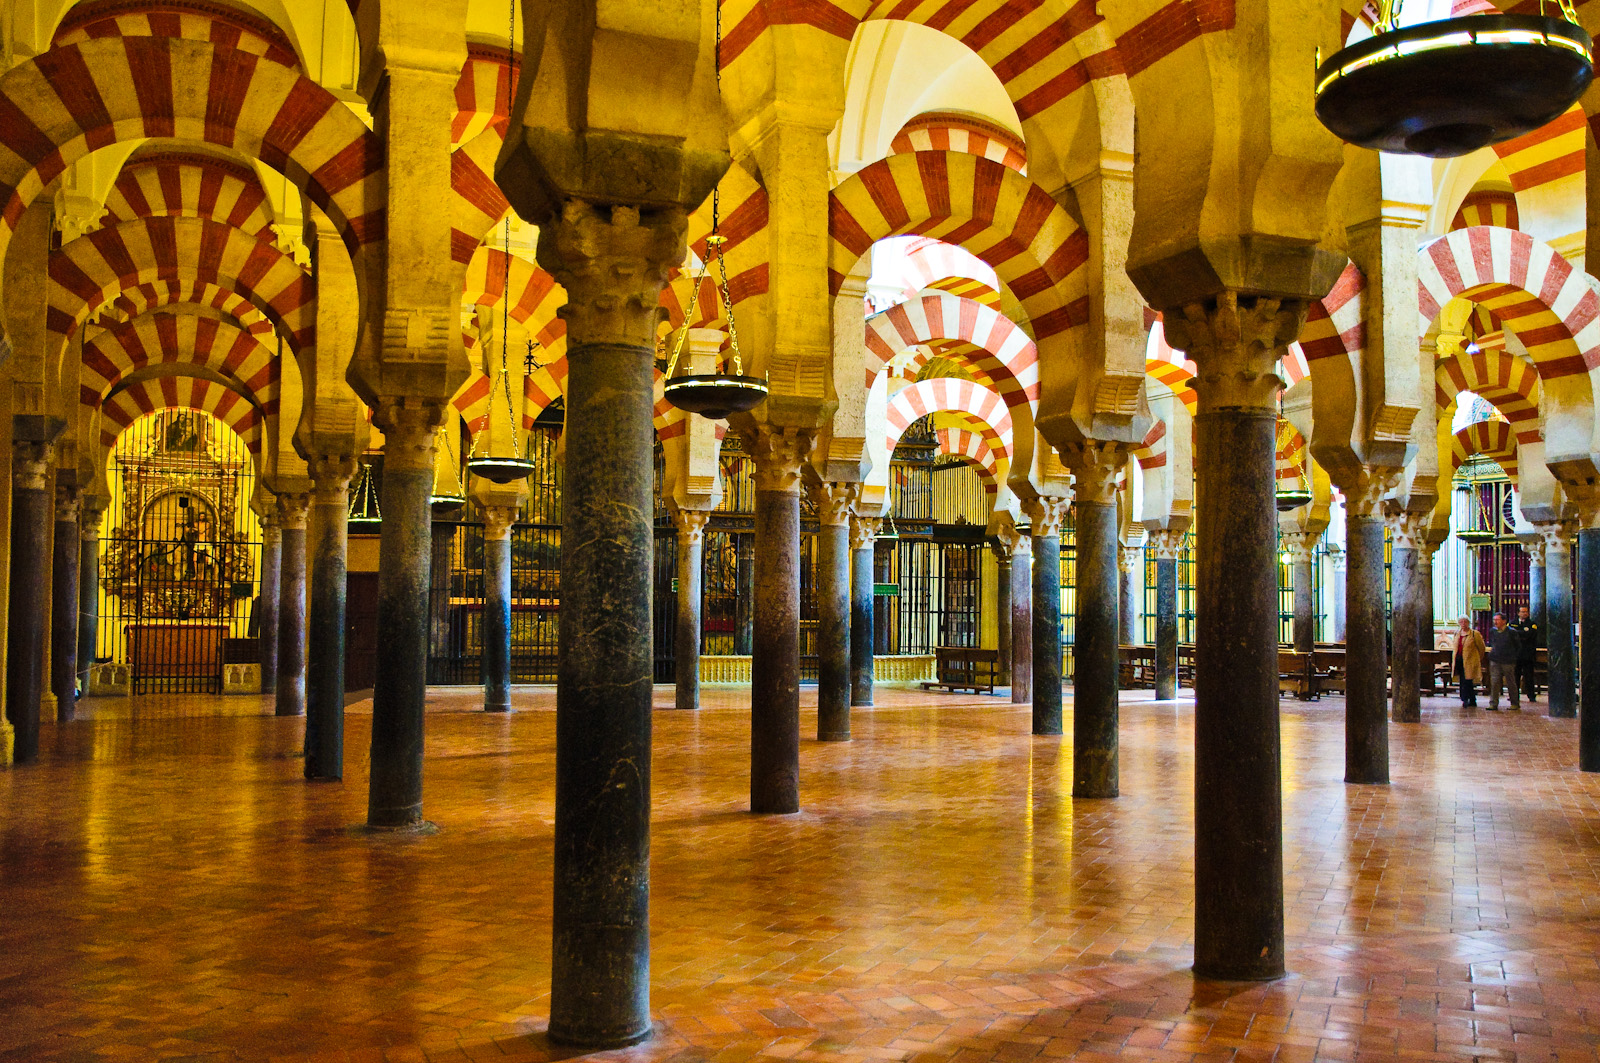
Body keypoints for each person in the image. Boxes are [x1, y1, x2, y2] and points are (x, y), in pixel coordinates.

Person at [1485, 612, 1521, 711]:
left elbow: (1517, 646)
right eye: (1494, 620)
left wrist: (1513, 657)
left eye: (1497, 620)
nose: (1495, 622)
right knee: (1495, 682)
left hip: (1508, 661)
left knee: (1510, 682)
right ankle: (1493, 703)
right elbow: (1491, 643)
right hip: (1495, 660)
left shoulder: (1512, 632)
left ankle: (1514, 703)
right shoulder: (1493, 631)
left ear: (1504, 621)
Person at [1451, 616, 1486, 708]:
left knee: (1468, 681)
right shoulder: (1457, 633)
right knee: (1462, 680)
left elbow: (1481, 648)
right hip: (1459, 660)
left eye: (1465, 622)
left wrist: (1477, 658)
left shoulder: (1475, 634)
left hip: (1470, 661)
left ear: (1468, 623)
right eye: (1461, 622)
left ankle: (1467, 699)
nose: (1463, 624)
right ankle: (1468, 699)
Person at [1511, 604, 1540, 702]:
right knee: (1515, 676)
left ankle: (1531, 696)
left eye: (1526, 612)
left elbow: (1530, 635)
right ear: (1518, 613)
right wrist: (1522, 633)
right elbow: (1511, 635)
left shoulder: (1532, 624)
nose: (1524, 613)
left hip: (1528, 655)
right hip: (1516, 655)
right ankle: (1514, 696)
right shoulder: (1512, 623)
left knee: (1529, 676)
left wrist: (1519, 633)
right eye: (1522, 612)